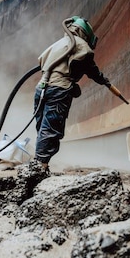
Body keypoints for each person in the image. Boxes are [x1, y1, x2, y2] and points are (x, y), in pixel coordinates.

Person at [32, 16, 110, 170]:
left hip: (41, 88)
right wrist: (104, 81)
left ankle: (39, 163)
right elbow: (90, 69)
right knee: (51, 128)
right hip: (58, 90)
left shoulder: (59, 44)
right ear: (85, 34)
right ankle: (39, 167)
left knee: (42, 127)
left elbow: (44, 63)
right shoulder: (81, 46)